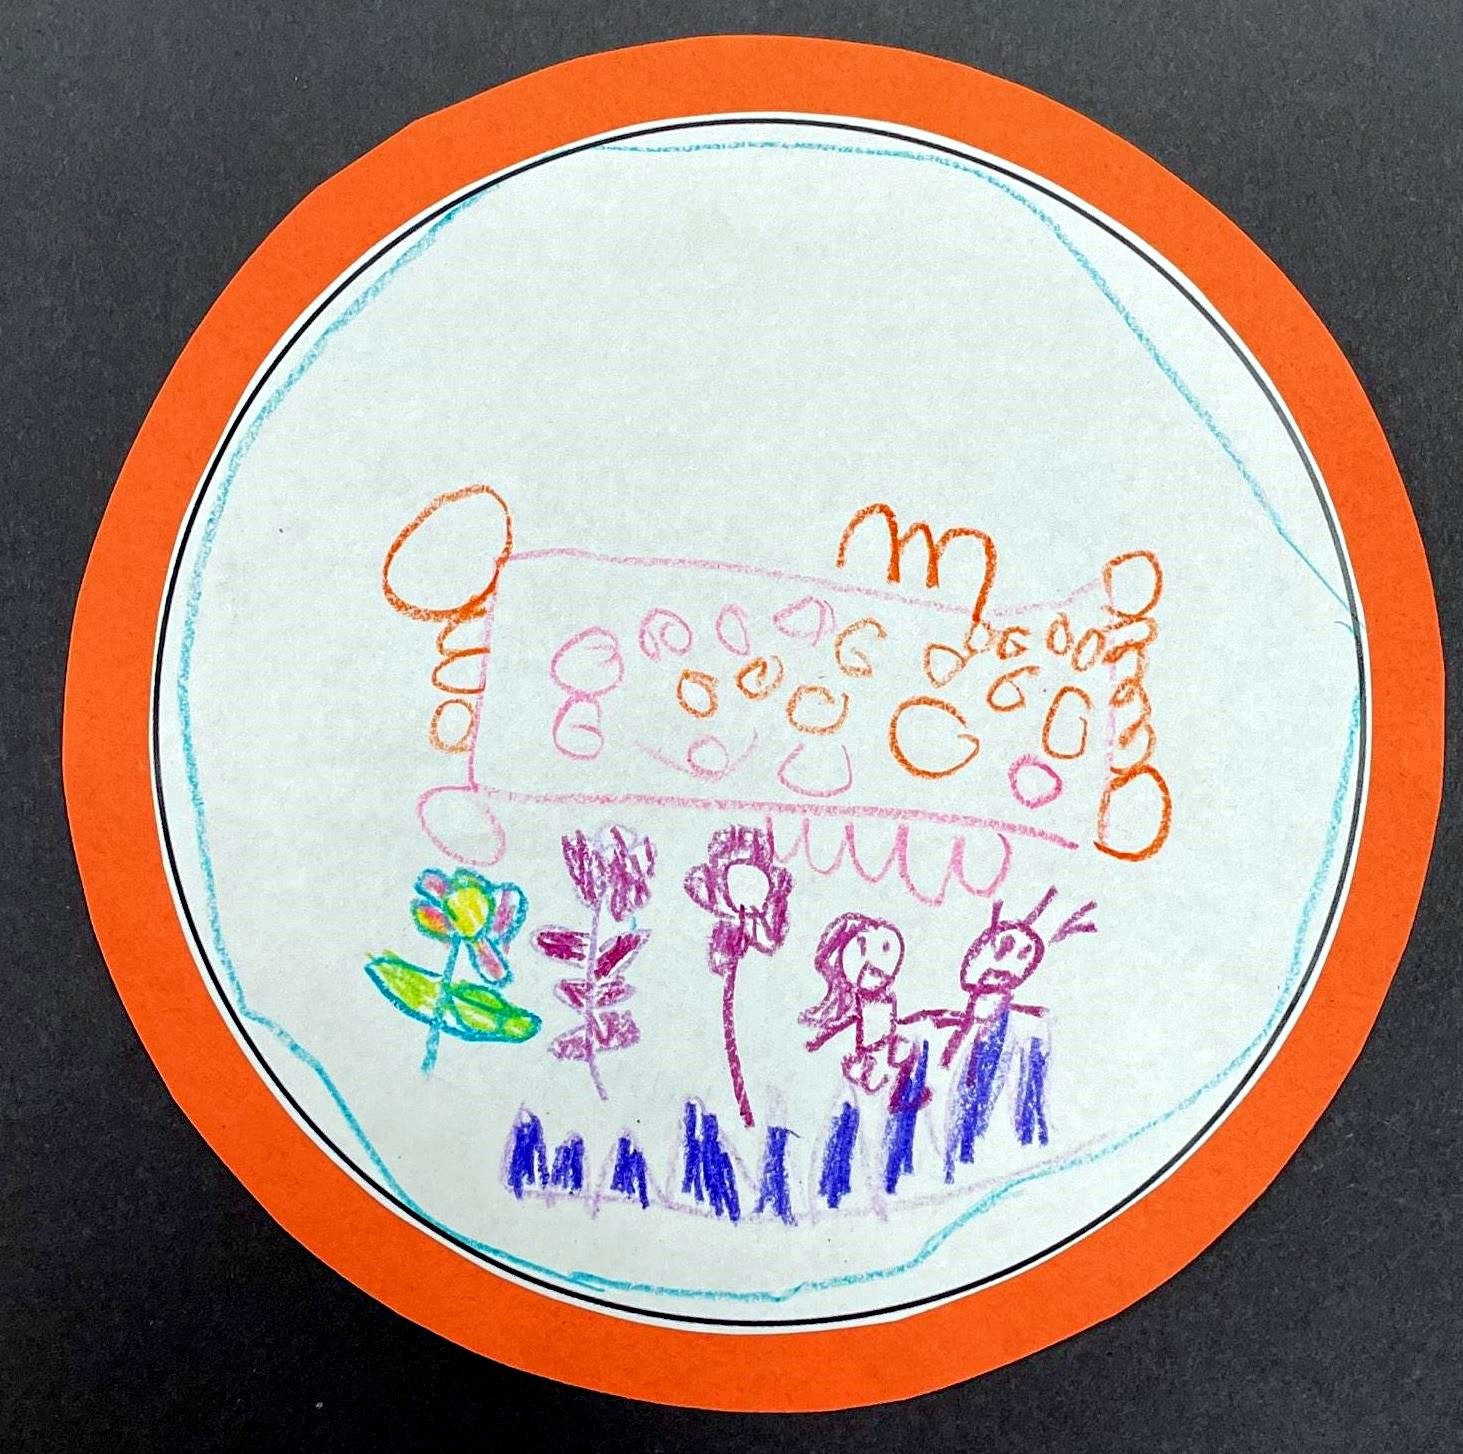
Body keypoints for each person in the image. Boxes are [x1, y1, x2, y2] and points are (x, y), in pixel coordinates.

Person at [801, 911, 923, 1093]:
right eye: (862, 949)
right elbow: (847, 1020)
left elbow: (892, 1019)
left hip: (887, 1042)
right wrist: (820, 1038)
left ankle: (887, 1063)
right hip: (870, 1049)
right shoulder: (860, 1001)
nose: (874, 966)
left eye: (885, 948)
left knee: (889, 1060)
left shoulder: (887, 997)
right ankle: (873, 1072)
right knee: (870, 1073)